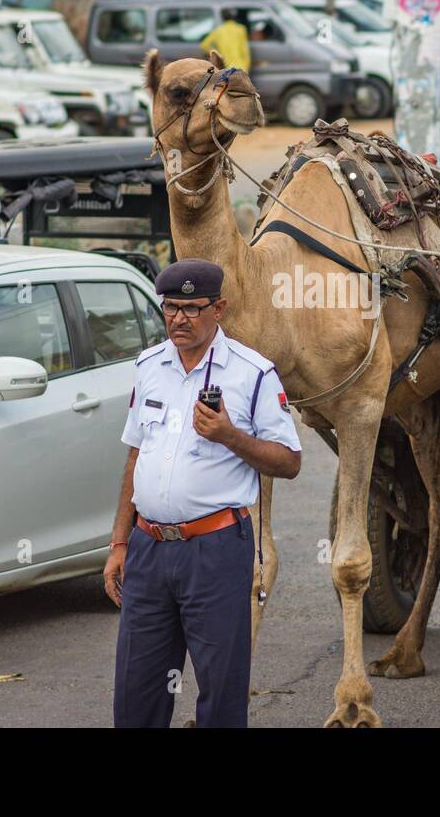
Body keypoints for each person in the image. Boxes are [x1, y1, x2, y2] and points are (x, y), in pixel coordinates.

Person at [105, 259, 302, 728]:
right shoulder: (149, 366)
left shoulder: (253, 374)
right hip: (149, 548)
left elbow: (290, 462)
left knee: (220, 694)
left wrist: (230, 435)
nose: (179, 319)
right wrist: (119, 544)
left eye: (192, 308)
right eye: (171, 307)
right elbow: (135, 459)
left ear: (219, 308)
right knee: (136, 694)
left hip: (215, 549)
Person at [200, 8, 251, 73]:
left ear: (223, 18)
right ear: (234, 17)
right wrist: (246, 67)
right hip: (241, 67)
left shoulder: (219, 30)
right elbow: (245, 50)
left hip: (225, 67)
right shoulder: (241, 29)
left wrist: (216, 53)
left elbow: (204, 45)